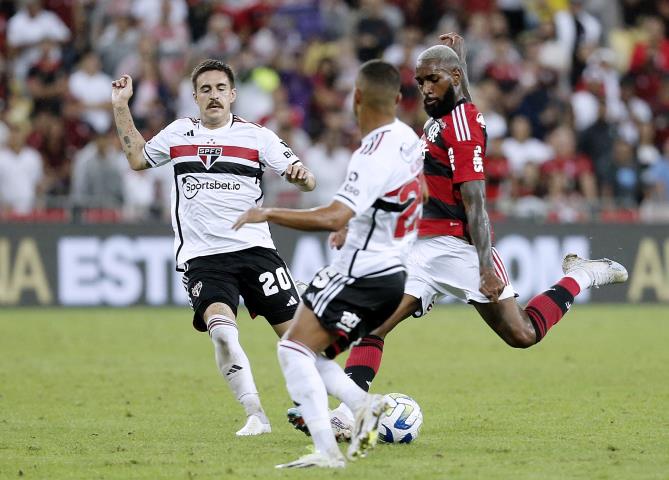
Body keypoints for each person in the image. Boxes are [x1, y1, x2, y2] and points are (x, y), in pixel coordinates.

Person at [287, 33, 629, 439]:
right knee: (373, 325)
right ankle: (346, 413)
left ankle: (582, 275)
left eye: (432, 80)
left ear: (451, 78)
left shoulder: (463, 131)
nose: (425, 89)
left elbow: (477, 204)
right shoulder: (445, 112)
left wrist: (485, 266)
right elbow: (453, 101)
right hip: (415, 246)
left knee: (522, 334)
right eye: (420, 82)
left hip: (457, 248)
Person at [233, 59, 424, 468]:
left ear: (356, 97)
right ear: (397, 98)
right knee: (310, 353)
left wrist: (268, 213)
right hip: (393, 274)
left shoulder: (370, 152)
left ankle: (327, 449)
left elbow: (333, 215)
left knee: (292, 350)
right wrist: (356, 223)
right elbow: (401, 195)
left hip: (360, 272)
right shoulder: (408, 138)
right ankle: (363, 406)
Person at [111, 59, 316, 436]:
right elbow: (138, 158)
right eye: (205, 89)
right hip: (204, 259)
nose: (214, 96)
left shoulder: (258, 137)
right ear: (195, 97)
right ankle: (256, 414)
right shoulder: (178, 133)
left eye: (221, 88)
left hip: (256, 251)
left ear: (233, 94)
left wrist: (302, 177)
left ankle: (333, 409)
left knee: (299, 340)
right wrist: (121, 105)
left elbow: (305, 179)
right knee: (222, 332)